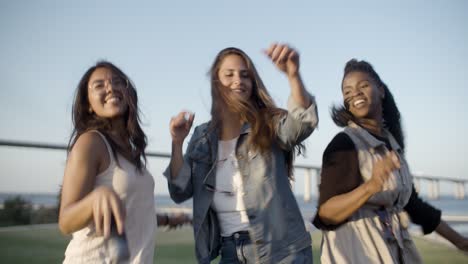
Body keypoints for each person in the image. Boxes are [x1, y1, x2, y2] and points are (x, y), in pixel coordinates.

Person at [164, 43, 318, 263]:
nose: (238, 80)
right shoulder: (201, 136)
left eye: (245, 75)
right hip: (231, 252)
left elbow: (303, 123)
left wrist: (293, 75)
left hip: (282, 250)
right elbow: (179, 191)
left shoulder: (268, 124)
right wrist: (177, 143)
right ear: (217, 82)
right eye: (229, 74)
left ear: (252, 83)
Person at [313, 59, 468, 263]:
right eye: (347, 92)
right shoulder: (344, 144)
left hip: (395, 250)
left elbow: (413, 205)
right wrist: (372, 186)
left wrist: (461, 242)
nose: (355, 94)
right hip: (357, 254)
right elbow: (326, 213)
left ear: (381, 91)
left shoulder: (391, 143)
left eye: (363, 86)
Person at [58, 61, 190, 263]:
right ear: (89, 106)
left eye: (117, 82)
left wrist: (168, 219)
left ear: (128, 94)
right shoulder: (91, 142)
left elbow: (132, 211)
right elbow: (66, 221)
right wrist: (96, 197)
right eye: (99, 85)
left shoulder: (129, 149)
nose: (110, 87)